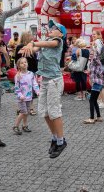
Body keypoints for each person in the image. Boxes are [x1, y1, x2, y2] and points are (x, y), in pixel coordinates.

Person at [19, 19, 67, 159]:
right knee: (44, 112)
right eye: (50, 28)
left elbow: (45, 43)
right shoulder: (45, 42)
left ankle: (61, 141)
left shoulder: (57, 41)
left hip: (54, 80)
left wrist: (32, 42)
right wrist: (27, 48)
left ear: (61, 33)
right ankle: (54, 138)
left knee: (54, 111)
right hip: (45, 80)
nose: (51, 29)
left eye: (54, 28)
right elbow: (34, 49)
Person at [13, 57, 40, 135]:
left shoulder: (31, 74)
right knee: (23, 112)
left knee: (27, 112)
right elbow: (17, 88)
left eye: (25, 62)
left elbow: (34, 83)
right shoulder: (18, 76)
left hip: (29, 97)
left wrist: (37, 91)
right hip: (21, 98)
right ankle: (15, 126)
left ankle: (24, 125)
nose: (24, 63)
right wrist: (20, 95)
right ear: (19, 66)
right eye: (22, 63)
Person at [84, 30, 104, 123]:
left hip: (97, 81)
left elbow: (96, 55)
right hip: (98, 81)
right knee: (95, 99)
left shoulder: (96, 59)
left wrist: (94, 48)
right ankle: (99, 117)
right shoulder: (96, 60)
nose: (91, 54)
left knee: (91, 100)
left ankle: (92, 118)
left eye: (94, 34)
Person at [15, 32, 38, 115]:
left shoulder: (31, 46)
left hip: (32, 71)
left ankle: (29, 108)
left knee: (30, 90)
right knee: (23, 89)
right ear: (27, 37)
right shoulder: (20, 47)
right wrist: (18, 71)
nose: (32, 37)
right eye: (30, 36)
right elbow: (17, 60)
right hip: (24, 71)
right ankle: (22, 108)